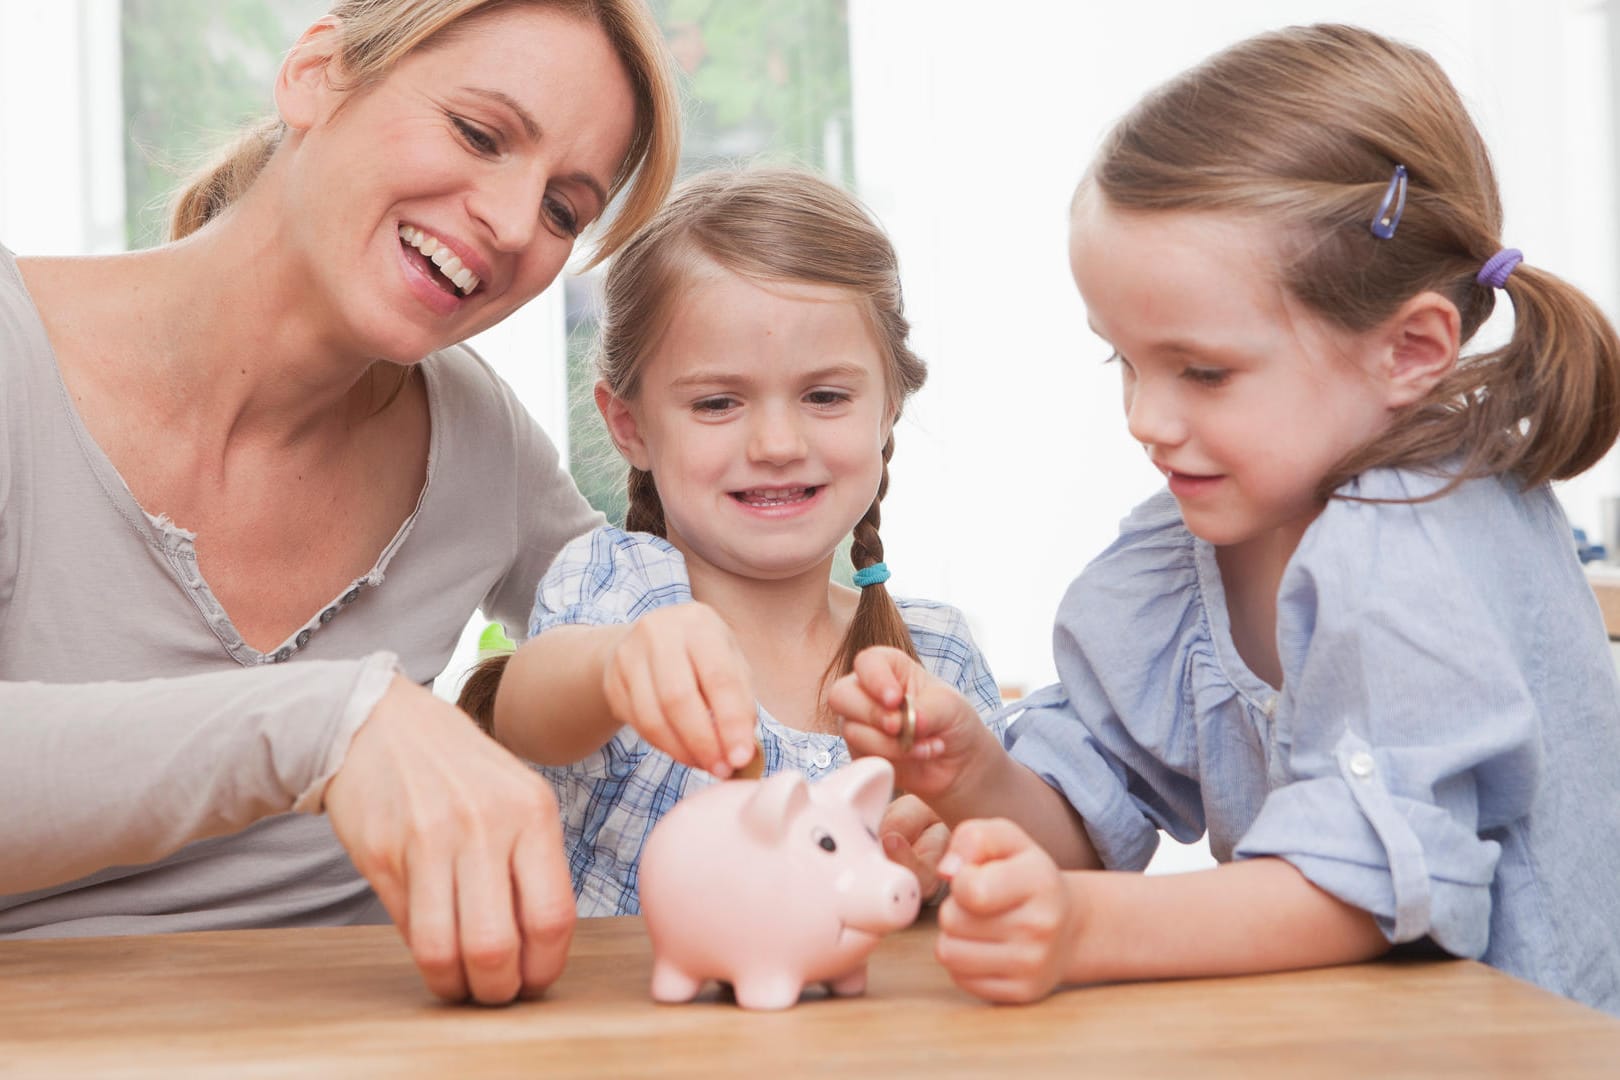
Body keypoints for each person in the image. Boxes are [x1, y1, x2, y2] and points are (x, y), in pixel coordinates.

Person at [831, 23, 1620, 1013]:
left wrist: (1083, 929)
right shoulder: (1203, 534)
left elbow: (1368, 897)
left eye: (1204, 371)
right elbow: (1091, 813)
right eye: (1124, 359)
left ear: (1412, 351)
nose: (1143, 419)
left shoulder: (1419, 540)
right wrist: (973, 776)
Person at [0, 0, 680, 1006]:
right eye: (481, 133)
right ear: (317, 73)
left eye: (562, 211)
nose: (508, 220)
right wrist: (326, 722)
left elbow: (651, 643)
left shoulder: (479, 440)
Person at [457, 168, 1003, 916]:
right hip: (630, 1032)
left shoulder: (935, 657)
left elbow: (1006, 855)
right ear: (630, 425)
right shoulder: (619, 592)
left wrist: (951, 850)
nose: (777, 443)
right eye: (717, 403)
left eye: (825, 397)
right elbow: (527, 712)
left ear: (888, 408)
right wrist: (619, 665)